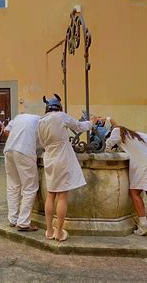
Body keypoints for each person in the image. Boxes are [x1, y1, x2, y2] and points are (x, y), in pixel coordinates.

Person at [38, 94, 96, 241]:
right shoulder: (60, 116)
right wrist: (92, 122)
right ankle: (59, 232)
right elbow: (79, 126)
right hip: (62, 158)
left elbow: (41, 142)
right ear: (59, 107)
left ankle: (49, 230)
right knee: (62, 196)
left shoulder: (41, 121)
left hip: (49, 157)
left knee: (51, 194)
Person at [106, 125, 147, 235]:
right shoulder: (135, 136)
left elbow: (109, 144)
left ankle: (143, 224)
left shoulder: (116, 130)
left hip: (143, 165)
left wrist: (107, 148)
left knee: (134, 192)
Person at [3, 113, 41, 231]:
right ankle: (23, 222)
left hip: (9, 150)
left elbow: (6, 130)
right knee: (30, 188)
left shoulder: (18, 118)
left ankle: (13, 219)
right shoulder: (40, 120)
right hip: (25, 152)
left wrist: (17, 139)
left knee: (13, 186)